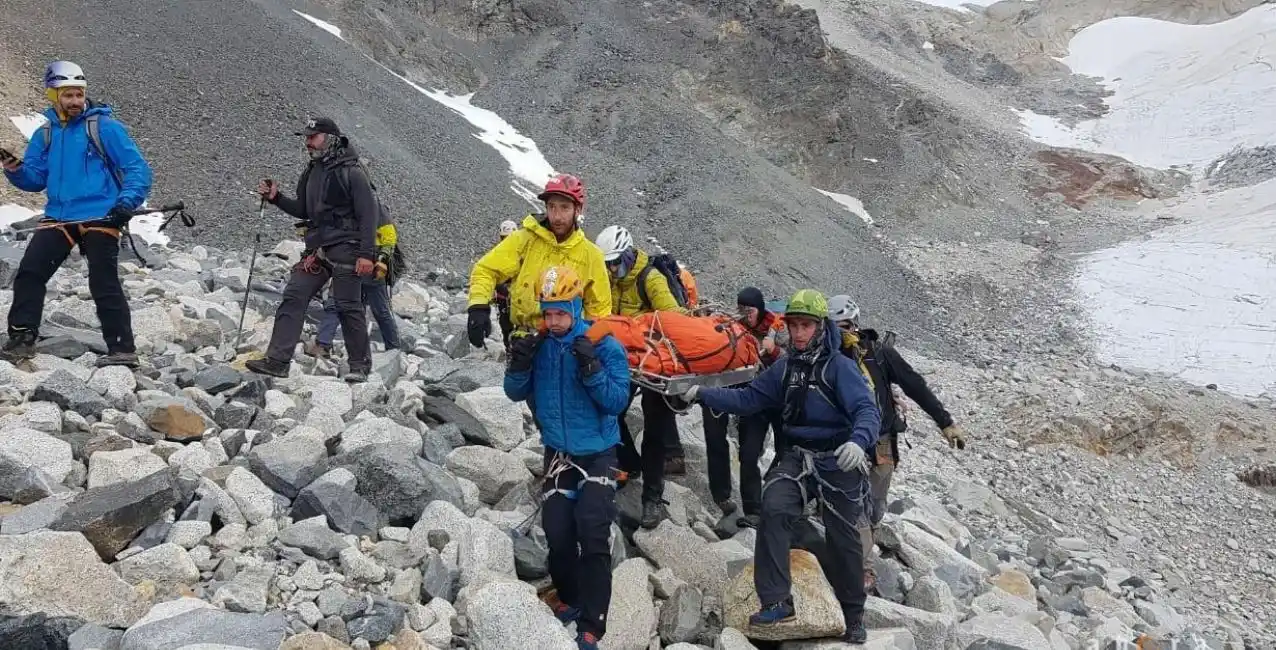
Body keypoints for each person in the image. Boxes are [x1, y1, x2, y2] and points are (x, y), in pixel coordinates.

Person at [676, 290, 880, 645]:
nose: (798, 333)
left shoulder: (840, 368)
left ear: (820, 328)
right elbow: (749, 399)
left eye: (806, 326)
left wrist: (858, 442)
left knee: (844, 536)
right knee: (773, 507)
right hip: (799, 457)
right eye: (793, 325)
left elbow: (867, 409)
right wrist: (702, 393)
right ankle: (776, 600)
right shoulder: (786, 368)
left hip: (839, 457)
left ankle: (853, 613)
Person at [503, 266, 630, 650]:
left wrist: (590, 368)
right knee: (558, 532)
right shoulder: (542, 345)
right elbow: (513, 393)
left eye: (560, 313)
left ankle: (594, 622)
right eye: (548, 313)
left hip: (598, 452)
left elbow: (617, 401)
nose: (553, 321)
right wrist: (519, 363)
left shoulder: (604, 346)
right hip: (558, 451)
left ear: (576, 307)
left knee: (592, 530)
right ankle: (572, 597)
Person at [0, 61, 153, 367]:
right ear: (52, 95)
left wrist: (125, 204)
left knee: (103, 279)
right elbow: (35, 179)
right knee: (30, 272)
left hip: (102, 215)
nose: (74, 101)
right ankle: (21, 338)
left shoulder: (104, 127)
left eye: (78, 94)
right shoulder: (45, 134)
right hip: (59, 216)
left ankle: (123, 349)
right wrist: (14, 169)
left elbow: (139, 169)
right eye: (67, 95)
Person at [828, 294, 965, 589]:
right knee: (856, 507)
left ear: (855, 323)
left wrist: (945, 422)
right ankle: (863, 570)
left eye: (845, 325)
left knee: (875, 506)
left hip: (880, 442)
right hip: (844, 441)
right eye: (835, 326)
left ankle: (866, 543)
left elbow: (914, 385)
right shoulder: (826, 357)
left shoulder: (880, 353)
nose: (842, 332)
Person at [248, 117, 379, 382]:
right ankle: (277, 361)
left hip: (349, 248)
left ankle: (360, 367)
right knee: (295, 293)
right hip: (318, 248)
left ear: (329, 138)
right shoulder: (313, 171)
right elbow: (304, 210)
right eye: (307, 137)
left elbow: (369, 213)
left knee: (346, 305)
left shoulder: (352, 171)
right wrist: (276, 198)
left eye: (313, 137)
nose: (308, 142)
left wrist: (368, 254)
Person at [594, 224, 689, 528]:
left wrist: (637, 328)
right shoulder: (612, 281)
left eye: (614, 263)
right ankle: (630, 465)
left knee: (655, 429)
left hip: (655, 362)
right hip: (626, 360)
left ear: (627, 255)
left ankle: (652, 498)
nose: (610, 270)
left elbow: (675, 319)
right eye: (607, 265)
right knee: (611, 410)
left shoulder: (651, 279)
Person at [466, 174, 610, 349]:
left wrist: (591, 347)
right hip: (523, 340)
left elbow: (599, 311)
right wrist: (478, 307)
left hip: (566, 346)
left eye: (564, 208)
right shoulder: (524, 239)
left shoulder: (591, 255)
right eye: (551, 207)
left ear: (578, 210)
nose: (557, 216)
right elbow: (486, 269)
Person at [702, 287, 785, 528]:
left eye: (749, 310)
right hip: (743, 392)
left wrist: (774, 350)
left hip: (770, 401)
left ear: (759, 309)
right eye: (741, 310)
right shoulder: (735, 326)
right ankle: (737, 503)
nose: (745, 315)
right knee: (732, 446)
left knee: (766, 453)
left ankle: (765, 508)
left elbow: (793, 361)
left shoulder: (779, 328)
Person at [310, 212, 403, 356]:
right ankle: (393, 348)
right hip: (369, 267)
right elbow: (389, 236)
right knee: (380, 311)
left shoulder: (345, 208)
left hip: (355, 265)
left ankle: (323, 344)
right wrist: (383, 258)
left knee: (336, 305)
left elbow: (330, 236)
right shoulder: (375, 209)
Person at [493, 219, 519, 350]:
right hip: (504, 297)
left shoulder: (522, 254)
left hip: (518, 297)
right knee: (506, 326)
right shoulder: (497, 254)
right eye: (505, 238)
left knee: (522, 327)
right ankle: (509, 350)